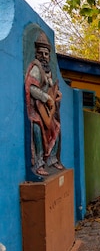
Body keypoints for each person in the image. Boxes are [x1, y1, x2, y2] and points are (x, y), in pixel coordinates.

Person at [24, 31, 63, 177]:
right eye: (41, 53)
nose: (44, 57)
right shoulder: (36, 69)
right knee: (37, 130)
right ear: (37, 53)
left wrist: (57, 95)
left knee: (56, 128)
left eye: (47, 54)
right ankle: (39, 162)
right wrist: (46, 97)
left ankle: (52, 159)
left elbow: (52, 87)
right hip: (36, 110)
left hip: (46, 111)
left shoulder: (48, 72)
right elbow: (32, 87)